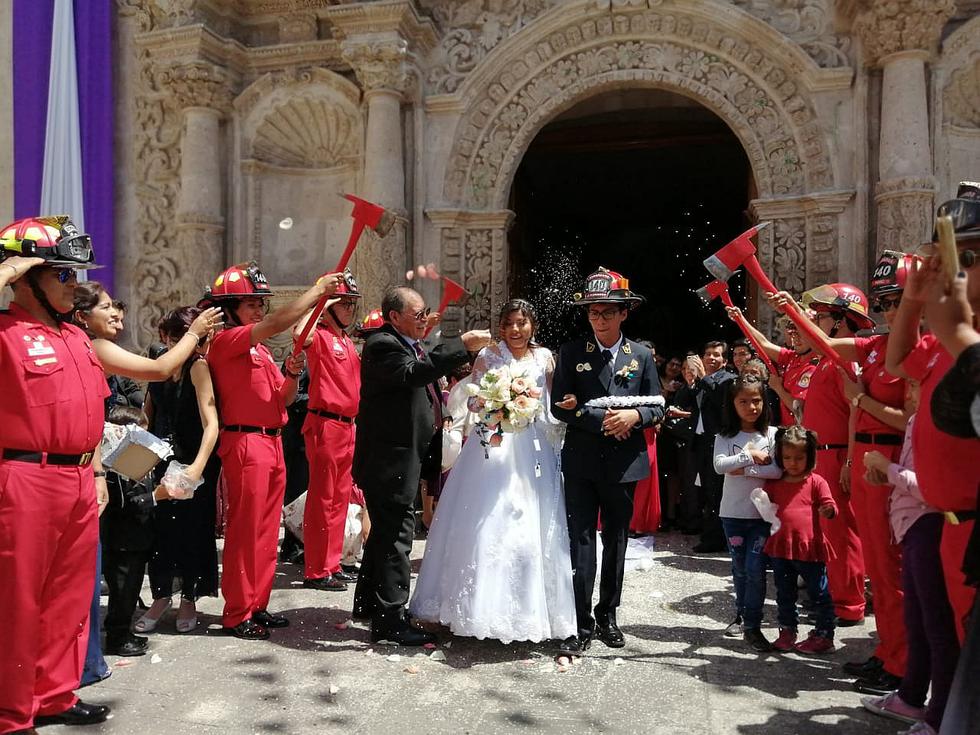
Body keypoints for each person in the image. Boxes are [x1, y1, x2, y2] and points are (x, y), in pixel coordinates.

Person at [0, 215, 112, 730]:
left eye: (75, 274)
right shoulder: (5, 332)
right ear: (26, 278)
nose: (74, 285)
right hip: (26, 478)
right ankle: (11, 710)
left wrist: (97, 473)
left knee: (70, 594)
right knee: (19, 598)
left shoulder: (74, 336)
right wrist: (7, 268)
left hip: (79, 478)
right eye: (62, 274)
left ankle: (54, 694)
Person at [409, 299, 576, 643]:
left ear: (533, 326)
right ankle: (472, 608)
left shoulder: (545, 358)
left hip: (532, 447)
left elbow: (552, 401)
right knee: (485, 520)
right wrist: (494, 404)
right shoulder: (487, 355)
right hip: (493, 446)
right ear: (501, 327)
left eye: (522, 323)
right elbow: (472, 400)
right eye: (509, 323)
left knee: (528, 522)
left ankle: (528, 612)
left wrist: (552, 409)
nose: (516, 330)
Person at [200, 261, 341, 640]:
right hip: (245, 441)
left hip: (272, 439)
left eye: (261, 303)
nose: (259, 310)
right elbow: (279, 323)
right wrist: (318, 291)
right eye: (251, 304)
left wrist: (292, 373)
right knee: (245, 531)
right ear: (230, 309)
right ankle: (237, 613)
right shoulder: (227, 341)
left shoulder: (260, 351)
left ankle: (257, 604)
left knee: (266, 532)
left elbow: (285, 397)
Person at [352, 286, 489, 645]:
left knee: (384, 535)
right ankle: (390, 619)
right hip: (389, 461)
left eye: (425, 312)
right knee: (398, 538)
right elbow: (416, 374)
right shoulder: (383, 345)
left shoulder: (408, 343)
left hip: (401, 458)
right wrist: (462, 343)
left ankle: (368, 604)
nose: (424, 319)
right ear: (394, 317)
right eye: (418, 314)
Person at [802, 254, 914, 695]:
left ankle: (902, 664)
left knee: (890, 566)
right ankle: (887, 651)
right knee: (879, 568)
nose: (890, 311)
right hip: (868, 462)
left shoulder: (920, 351)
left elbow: (911, 421)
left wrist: (862, 401)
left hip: (889, 462)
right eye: (884, 303)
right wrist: (786, 306)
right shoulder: (875, 347)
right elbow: (821, 341)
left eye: (898, 301)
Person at [551, 267, 664, 654]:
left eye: (607, 312)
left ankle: (608, 615)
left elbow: (657, 405)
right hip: (582, 460)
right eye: (593, 313)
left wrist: (634, 416)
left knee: (616, 540)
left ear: (624, 313)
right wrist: (600, 421)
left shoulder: (641, 355)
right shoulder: (571, 352)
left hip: (623, 461)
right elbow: (559, 406)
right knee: (581, 539)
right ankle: (580, 621)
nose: (599, 320)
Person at [887, 186, 980, 650]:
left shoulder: (962, 337)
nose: (951, 270)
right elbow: (899, 362)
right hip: (950, 526)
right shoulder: (947, 337)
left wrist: (960, 334)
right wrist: (913, 300)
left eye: (967, 257)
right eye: (945, 258)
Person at [765, 285, 871, 638]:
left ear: (841, 321)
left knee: (842, 533)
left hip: (837, 454)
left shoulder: (844, 361)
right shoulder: (828, 359)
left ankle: (850, 604)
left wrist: (850, 461)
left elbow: (855, 414)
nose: (818, 321)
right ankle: (839, 597)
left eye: (823, 316)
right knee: (830, 532)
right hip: (823, 454)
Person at [861, 384, 959, 735]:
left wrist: (887, 468)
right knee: (917, 621)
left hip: (930, 527)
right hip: (912, 529)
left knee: (938, 627)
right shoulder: (920, 420)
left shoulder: (944, 422)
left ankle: (938, 718)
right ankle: (911, 696)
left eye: (918, 383)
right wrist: (885, 473)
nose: (910, 391)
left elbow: (934, 490)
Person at [140, 306, 221, 634]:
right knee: (160, 530)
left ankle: (189, 597)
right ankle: (161, 596)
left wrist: (197, 467)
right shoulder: (159, 365)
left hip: (194, 458)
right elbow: (147, 416)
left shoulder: (197, 366)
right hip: (162, 458)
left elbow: (211, 423)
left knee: (192, 529)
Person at [294, 271, 362, 592]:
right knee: (322, 499)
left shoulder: (346, 340)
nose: (349, 309)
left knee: (339, 499)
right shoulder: (319, 334)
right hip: (325, 423)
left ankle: (332, 563)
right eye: (343, 303)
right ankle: (316, 569)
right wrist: (321, 302)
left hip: (348, 426)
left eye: (351, 303)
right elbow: (299, 335)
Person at [712, 374, 783, 651]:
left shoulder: (772, 434)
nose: (751, 407)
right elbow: (720, 466)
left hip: (762, 516)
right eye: (743, 401)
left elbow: (777, 470)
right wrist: (751, 456)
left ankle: (753, 624)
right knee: (740, 568)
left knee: (756, 569)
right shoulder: (724, 436)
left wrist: (743, 469)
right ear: (732, 404)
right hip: (732, 514)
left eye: (756, 401)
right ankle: (741, 615)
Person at [764, 425, 837, 654]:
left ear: (810, 456)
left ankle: (824, 635)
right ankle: (787, 630)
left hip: (808, 547)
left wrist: (828, 510)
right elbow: (766, 508)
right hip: (781, 547)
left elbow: (830, 504)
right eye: (787, 457)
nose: (792, 463)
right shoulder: (775, 483)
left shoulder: (816, 481)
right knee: (784, 593)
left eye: (798, 458)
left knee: (819, 593)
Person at [692, 340, 736, 553]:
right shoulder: (699, 380)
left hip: (718, 441)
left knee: (715, 491)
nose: (711, 357)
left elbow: (722, 403)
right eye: (707, 354)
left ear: (724, 361)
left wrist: (703, 378)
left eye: (716, 354)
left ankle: (716, 538)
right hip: (701, 441)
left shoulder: (728, 380)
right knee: (705, 490)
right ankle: (708, 532)